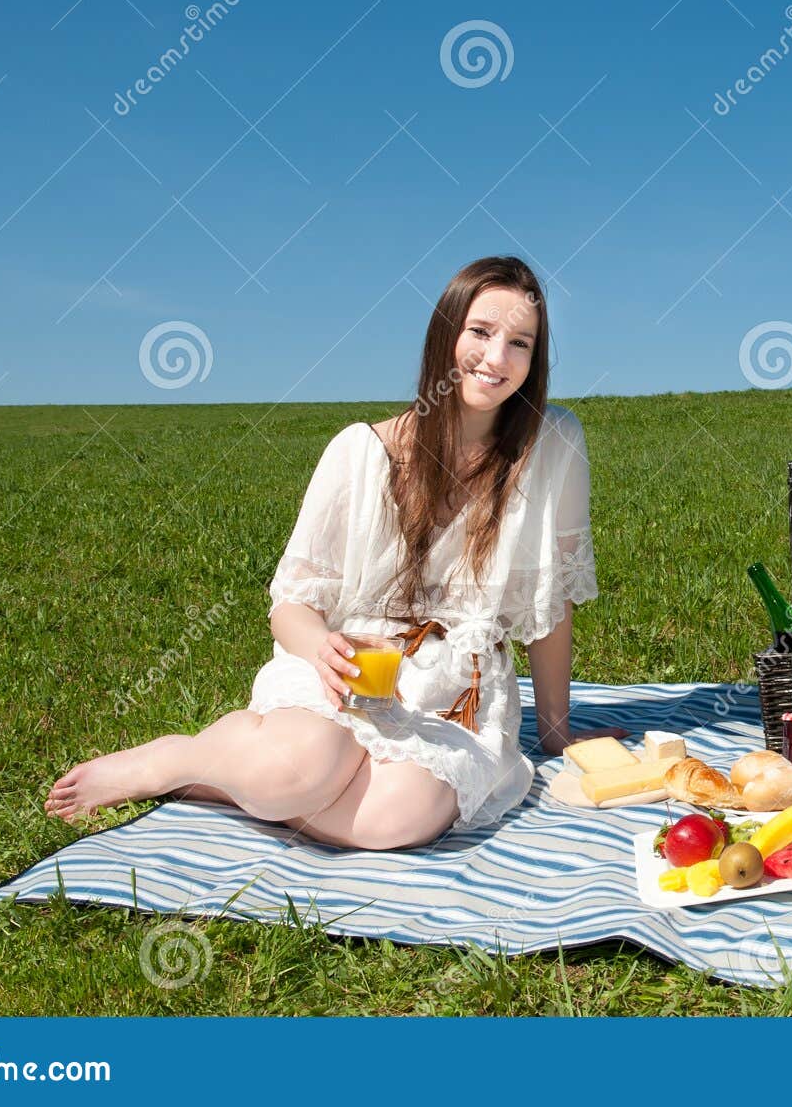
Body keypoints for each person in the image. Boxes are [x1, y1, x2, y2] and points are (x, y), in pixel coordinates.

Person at [45, 256, 626, 849]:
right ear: (445, 334)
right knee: (295, 773)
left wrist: (555, 731)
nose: (496, 358)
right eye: (480, 332)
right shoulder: (360, 452)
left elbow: (550, 602)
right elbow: (291, 606)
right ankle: (179, 760)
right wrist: (320, 647)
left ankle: (233, 788)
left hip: (456, 697)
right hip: (346, 671)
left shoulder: (553, 444)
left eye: (520, 342)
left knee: (395, 822)